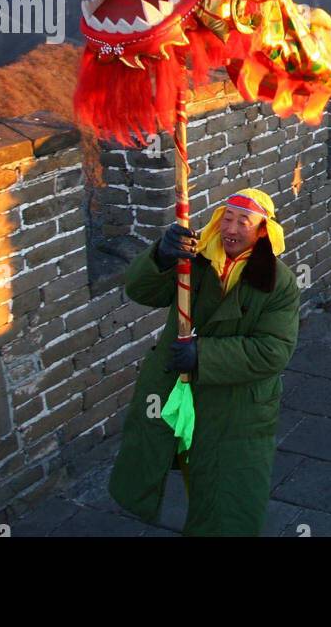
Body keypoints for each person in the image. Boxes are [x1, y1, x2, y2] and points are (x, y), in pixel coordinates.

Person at [110, 188, 300, 536]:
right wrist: (162, 258)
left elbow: (273, 351)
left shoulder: (279, 283)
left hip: (235, 407)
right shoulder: (191, 261)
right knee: (154, 458)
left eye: (244, 221)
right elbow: (142, 292)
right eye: (227, 218)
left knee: (227, 500)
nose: (232, 227)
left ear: (262, 231)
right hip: (172, 392)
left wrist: (204, 354)